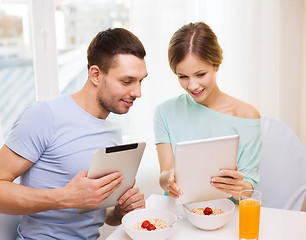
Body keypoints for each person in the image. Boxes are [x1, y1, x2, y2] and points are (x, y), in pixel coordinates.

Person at [0, 27, 148, 239]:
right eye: (127, 81)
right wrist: (65, 197)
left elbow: (98, 213)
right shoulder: (45, 116)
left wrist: (119, 212)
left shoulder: (113, 133)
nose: (137, 92)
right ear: (95, 75)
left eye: (141, 80)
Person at [154, 22, 262, 202]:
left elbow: (248, 188)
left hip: (225, 215)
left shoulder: (247, 115)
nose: (193, 85)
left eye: (200, 74)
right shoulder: (164, 112)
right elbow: (164, 174)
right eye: (183, 77)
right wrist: (168, 180)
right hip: (178, 213)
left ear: (217, 64)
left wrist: (237, 187)